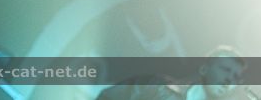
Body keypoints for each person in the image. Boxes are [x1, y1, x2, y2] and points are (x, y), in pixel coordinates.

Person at [96, 46, 248, 100]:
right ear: (204, 69)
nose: (229, 79)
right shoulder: (156, 87)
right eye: (225, 70)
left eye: (236, 77)